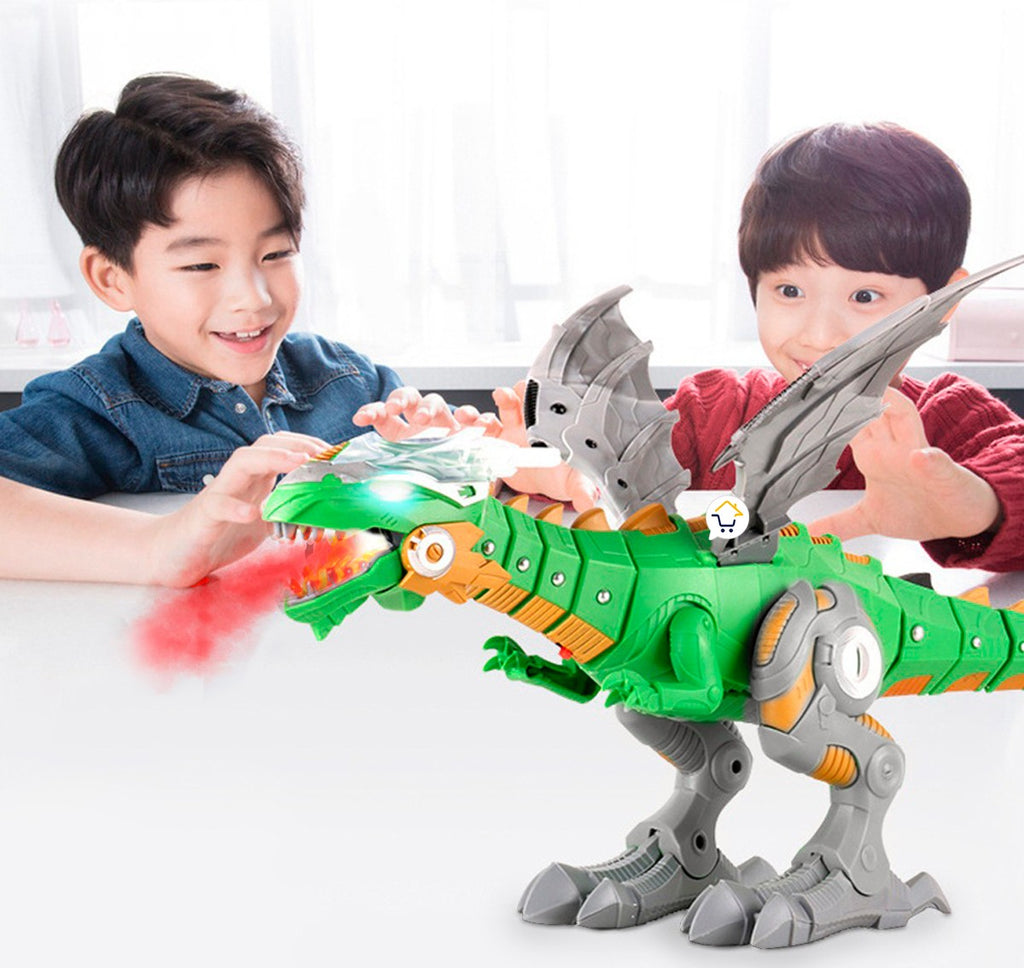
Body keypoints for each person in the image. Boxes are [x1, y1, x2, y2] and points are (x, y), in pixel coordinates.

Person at [0, 74, 486, 586]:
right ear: (112, 278)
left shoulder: (350, 383)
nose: (254, 298)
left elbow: (457, 505)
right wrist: (161, 544)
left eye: (275, 254)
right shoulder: (100, 408)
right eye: (202, 265)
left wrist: (497, 462)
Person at [498, 122, 1024, 572]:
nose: (820, 335)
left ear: (944, 301)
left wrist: (972, 505)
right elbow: (616, 483)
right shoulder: (711, 414)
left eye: (865, 296)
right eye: (789, 291)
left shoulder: (950, 418)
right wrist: (554, 468)